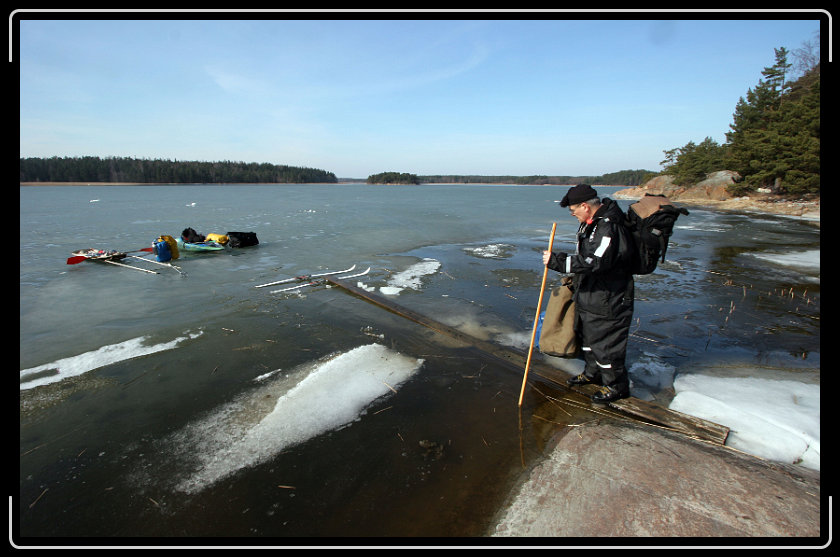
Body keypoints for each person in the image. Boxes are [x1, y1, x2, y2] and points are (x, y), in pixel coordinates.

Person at [542, 184, 634, 404]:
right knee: (589, 337)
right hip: (592, 292)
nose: (573, 215)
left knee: (606, 343)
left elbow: (596, 261)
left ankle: (616, 386)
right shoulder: (591, 224)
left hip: (609, 296)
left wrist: (557, 261)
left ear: (585, 206)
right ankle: (593, 373)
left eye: (574, 210)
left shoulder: (609, 226)